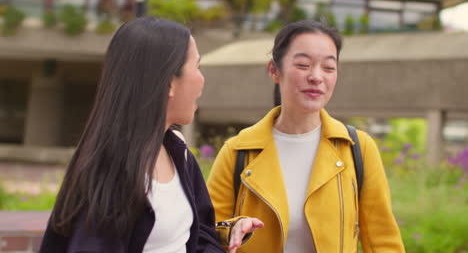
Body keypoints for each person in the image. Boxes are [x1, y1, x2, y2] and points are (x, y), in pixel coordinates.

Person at [39, 16, 263, 253]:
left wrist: (227, 233)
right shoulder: (109, 170)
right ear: (169, 83)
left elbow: (199, 236)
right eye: (197, 67)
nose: (201, 80)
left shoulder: (177, 150)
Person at [207, 20, 405, 253]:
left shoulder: (357, 148)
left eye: (329, 68)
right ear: (274, 70)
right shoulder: (237, 150)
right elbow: (207, 233)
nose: (316, 76)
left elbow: (383, 241)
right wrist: (233, 228)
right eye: (303, 65)